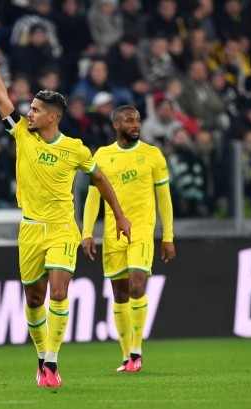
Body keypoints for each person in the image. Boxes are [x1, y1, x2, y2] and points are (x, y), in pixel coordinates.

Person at [0, 26, 131, 388]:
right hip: (29, 228)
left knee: (59, 292)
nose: (27, 113)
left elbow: (100, 178)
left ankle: (51, 363)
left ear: (52, 117)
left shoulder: (75, 148)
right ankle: (41, 357)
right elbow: (1, 99)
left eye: (34, 110)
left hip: (63, 226)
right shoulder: (22, 135)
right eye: (28, 109)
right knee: (34, 300)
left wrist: (120, 215)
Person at [81, 105, 176, 373]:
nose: (136, 125)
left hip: (142, 231)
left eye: (138, 120)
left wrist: (167, 236)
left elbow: (164, 199)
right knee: (120, 294)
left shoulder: (152, 155)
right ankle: (126, 356)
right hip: (112, 235)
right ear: (116, 125)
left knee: (137, 286)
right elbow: (93, 197)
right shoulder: (102, 155)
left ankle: (137, 351)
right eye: (129, 121)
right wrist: (87, 232)